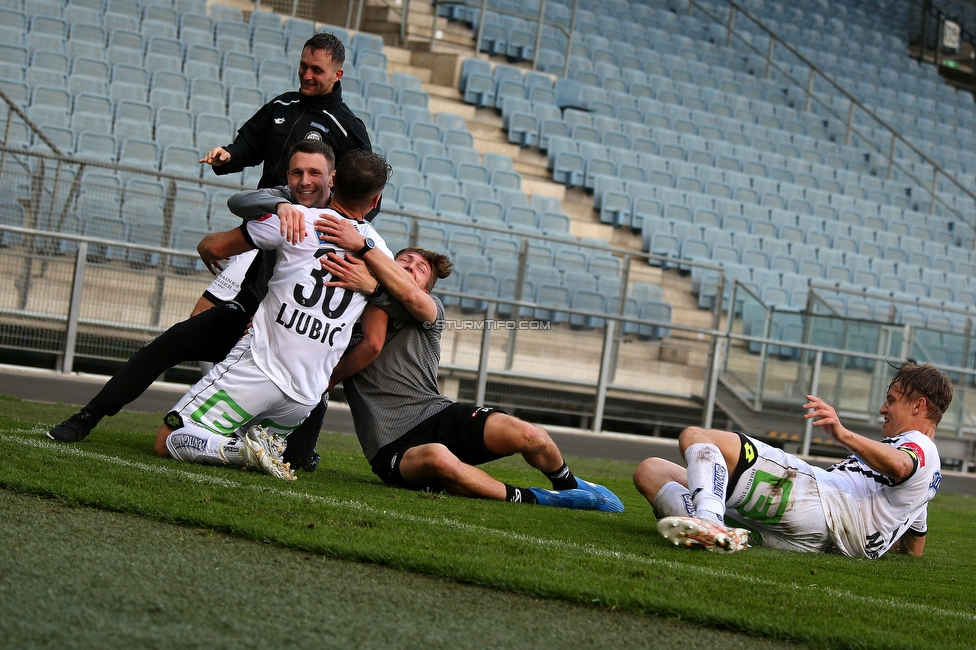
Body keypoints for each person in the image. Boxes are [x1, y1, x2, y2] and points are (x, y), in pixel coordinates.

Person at [313, 218, 625, 511]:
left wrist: (371, 271)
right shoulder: (360, 306)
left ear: (427, 287)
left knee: (530, 435)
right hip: (390, 445)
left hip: (438, 414)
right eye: (404, 261)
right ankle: (541, 499)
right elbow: (371, 342)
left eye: (420, 268)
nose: (410, 267)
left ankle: (569, 486)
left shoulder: (429, 308)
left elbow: (406, 298)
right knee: (439, 459)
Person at [46, 142, 332, 459]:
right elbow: (239, 201)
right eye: (297, 172)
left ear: (332, 178)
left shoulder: (344, 223)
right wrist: (280, 205)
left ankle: (299, 446)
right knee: (175, 338)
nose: (304, 181)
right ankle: (88, 416)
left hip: (300, 333)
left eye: (314, 173)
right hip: (253, 309)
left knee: (300, 455)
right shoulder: (286, 201)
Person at [155, 150, 394, 480]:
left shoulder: (294, 220)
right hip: (306, 396)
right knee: (225, 443)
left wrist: (207, 246)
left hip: (259, 367)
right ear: (376, 198)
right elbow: (374, 339)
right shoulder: (381, 253)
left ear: (333, 180)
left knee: (169, 440)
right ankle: (250, 448)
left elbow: (215, 247)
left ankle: (243, 451)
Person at [633, 362, 951, 557]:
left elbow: (900, 465)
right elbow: (915, 545)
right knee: (651, 472)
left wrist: (843, 433)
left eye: (891, 401)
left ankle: (711, 523)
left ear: (918, 406)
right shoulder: (926, 480)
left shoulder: (918, 445)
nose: (883, 409)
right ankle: (736, 534)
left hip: (819, 500)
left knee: (696, 436)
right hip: (814, 536)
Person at [200, 32, 370, 189]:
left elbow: (364, 188)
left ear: (337, 75)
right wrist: (228, 155)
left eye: (317, 70)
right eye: (304, 66)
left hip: (308, 221)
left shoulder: (347, 127)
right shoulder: (282, 104)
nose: (306, 76)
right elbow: (249, 146)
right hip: (265, 213)